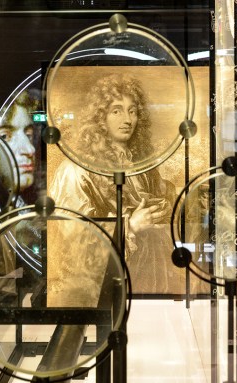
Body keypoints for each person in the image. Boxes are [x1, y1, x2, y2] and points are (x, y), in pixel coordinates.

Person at [48, 73, 178, 295]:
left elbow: (160, 200)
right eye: (116, 111)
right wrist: (131, 226)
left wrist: (164, 207)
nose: (127, 120)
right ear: (100, 117)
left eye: (132, 111)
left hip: (148, 280)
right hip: (101, 291)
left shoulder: (141, 164)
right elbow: (74, 240)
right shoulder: (75, 170)